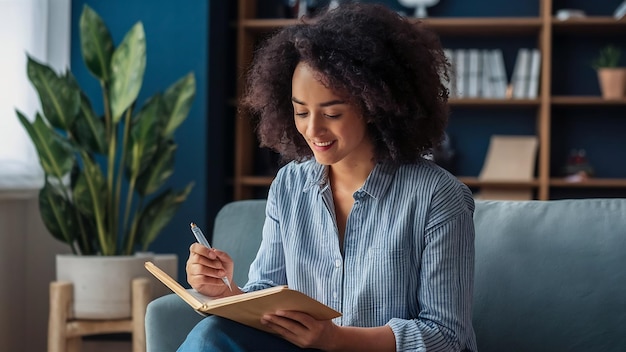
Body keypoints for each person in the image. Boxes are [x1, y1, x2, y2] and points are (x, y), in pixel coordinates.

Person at [179, 2, 477, 351]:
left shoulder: (437, 197)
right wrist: (226, 291)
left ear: (374, 104)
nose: (313, 129)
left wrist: (335, 339)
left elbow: (447, 335)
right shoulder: (290, 185)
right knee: (209, 336)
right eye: (300, 111)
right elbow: (268, 297)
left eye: (332, 113)